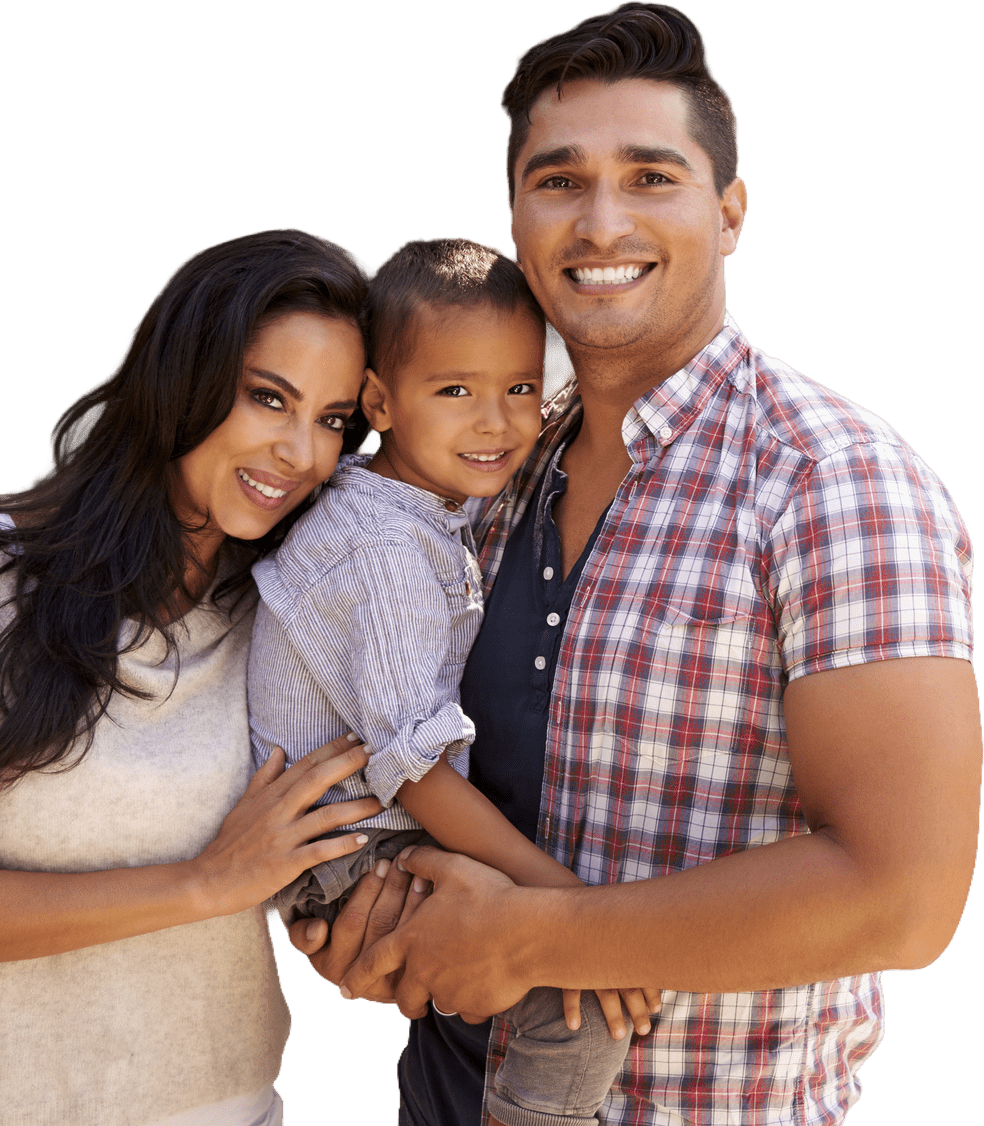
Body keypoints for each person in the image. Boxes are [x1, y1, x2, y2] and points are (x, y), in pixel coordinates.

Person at [297, 6, 981, 1126]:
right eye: (559, 181)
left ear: (729, 212)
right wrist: (371, 923)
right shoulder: (488, 465)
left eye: (650, 176)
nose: (599, 219)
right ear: (517, 222)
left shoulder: (830, 480)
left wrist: (533, 937)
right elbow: (370, 714)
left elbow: (903, 896)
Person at [0, 228, 388, 1126]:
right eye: (268, 398)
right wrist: (203, 884)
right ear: (183, 378)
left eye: (333, 419)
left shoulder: (296, 619)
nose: (300, 453)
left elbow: (316, 861)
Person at [249, 237, 660, 1126]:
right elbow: (418, 771)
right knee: (576, 1001)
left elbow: (512, 384)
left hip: (373, 825)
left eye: (518, 390)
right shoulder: (385, 552)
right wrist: (569, 911)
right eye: (456, 392)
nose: (499, 424)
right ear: (379, 403)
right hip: (355, 847)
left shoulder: (417, 485)